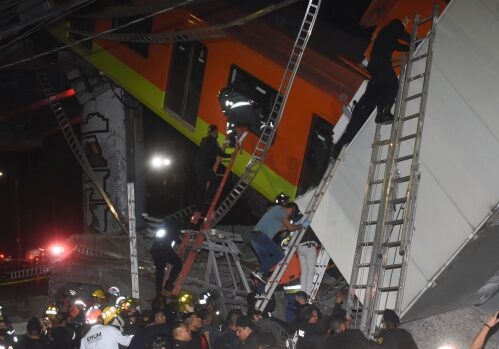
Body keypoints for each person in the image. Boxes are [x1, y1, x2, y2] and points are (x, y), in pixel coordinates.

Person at [332, 19, 411, 159]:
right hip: (380, 62)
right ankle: (383, 112)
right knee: (392, 84)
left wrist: (411, 46)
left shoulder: (387, 37)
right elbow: (403, 37)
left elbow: (398, 45)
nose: (404, 25)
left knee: (374, 96)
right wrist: (414, 38)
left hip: (376, 66)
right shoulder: (394, 26)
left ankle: (338, 148)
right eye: (403, 24)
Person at [249, 202, 309, 293]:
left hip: (255, 238)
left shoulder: (278, 215)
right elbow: (290, 228)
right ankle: (259, 272)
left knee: (266, 266)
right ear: (290, 209)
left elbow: (283, 228)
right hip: (260, 237)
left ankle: (260, 292)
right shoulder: (280, 210)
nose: (289, 215)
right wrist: (301, 226)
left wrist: (296, 224)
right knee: (280, 254)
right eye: (291, 213)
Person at [193, 124, 231, 211]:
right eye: (217, 131)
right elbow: (216, 152)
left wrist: (229, 155)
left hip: (199, 165)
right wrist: (226, 155)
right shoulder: (209, 141)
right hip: (201, 165)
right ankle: (207, 198)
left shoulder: (208, 141)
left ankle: (198, 207)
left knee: (202, 186)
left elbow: (219, 152)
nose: (217, 133)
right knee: (213, 178)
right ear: (214, 132)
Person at [150, 220, 183, 297]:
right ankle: (167, 288)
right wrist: (196, 227)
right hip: (163, 250)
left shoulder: (165, 228)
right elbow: (176, 239)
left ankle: (159, 293)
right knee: (178, 264)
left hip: (156, 251)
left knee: (160, 273)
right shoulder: (173, 227)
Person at [297, 227, 320, 296]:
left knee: (304, 271)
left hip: (300, 247)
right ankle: (308, 293)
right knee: (311, 271)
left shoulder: (301, 222)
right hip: (309, 247)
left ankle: (302, 291)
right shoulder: (313, 225)